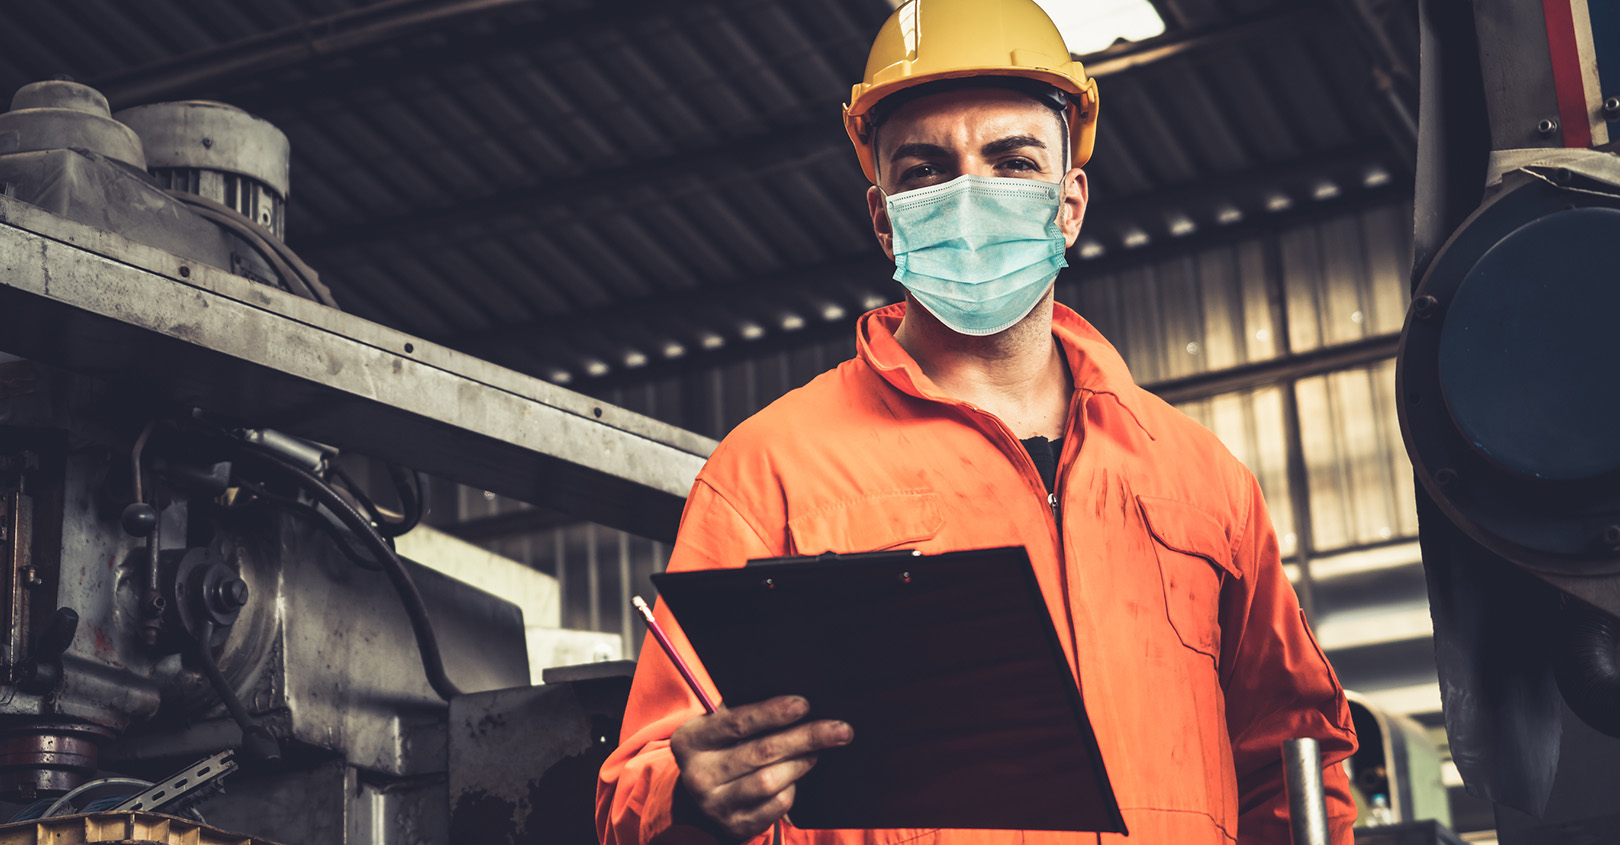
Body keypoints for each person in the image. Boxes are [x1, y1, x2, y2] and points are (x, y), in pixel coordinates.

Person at [596, 0, 1358, 842]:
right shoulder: (771, 470)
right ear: (884, 217)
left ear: (1068, 203)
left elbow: (1293, 765)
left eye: (1011, 160)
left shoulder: (1202, 481)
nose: (969, 195)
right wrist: (686, 798)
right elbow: (640, 777)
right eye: (924, 170)